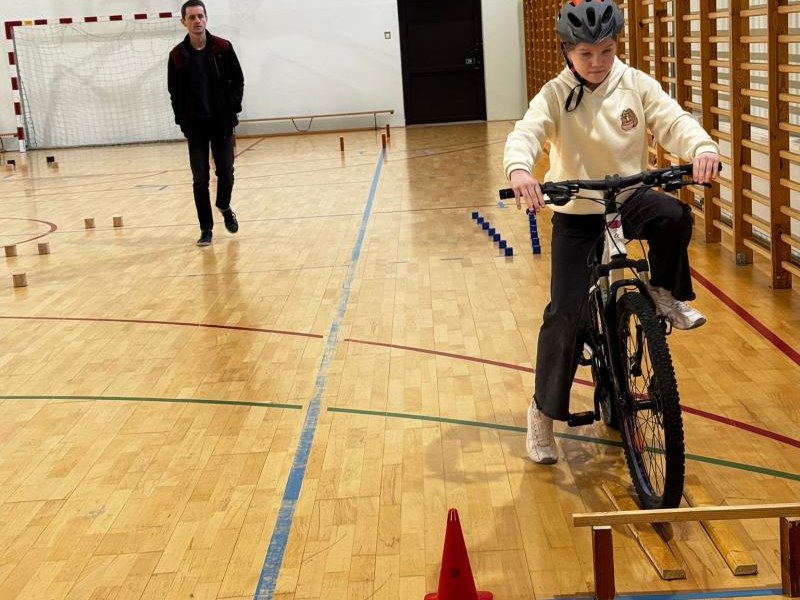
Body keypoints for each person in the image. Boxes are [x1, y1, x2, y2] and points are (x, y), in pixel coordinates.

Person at [503, 0, 720, 464]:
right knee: (565, 314)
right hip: (578, 210)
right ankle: (542, 413)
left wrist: (701, 148)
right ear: (567, 52)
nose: (597, 62)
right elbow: (527, 132)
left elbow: (673, 120)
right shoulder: (555, 94)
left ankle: (662, 293)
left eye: (606, 51)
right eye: (585, 54)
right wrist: (520, 169)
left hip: (628, 199)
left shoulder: (635, 83)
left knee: (674, 215)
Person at [168, 0, 244, 246]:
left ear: (206, 18)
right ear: (184, 22)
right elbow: (174, 92)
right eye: (191, 17)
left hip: (221, 123)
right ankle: (206, 229)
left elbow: (238, 80)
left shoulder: (223, 47)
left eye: (200, 16)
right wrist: (183, 122)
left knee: (226, 173)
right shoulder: (177, 55)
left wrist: (232, 108)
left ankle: (224, 206)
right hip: (196, 127)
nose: (197, 21)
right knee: (200, 179)